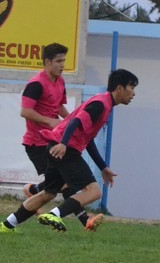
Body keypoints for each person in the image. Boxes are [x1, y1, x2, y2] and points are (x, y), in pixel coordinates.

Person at [0, 69, 138, 233]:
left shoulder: (104, 104)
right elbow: (74, 122)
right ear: (119, 88)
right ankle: (54, 215)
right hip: (65, 149)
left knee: (48, 193)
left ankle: (6, 226)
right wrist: (63, 144)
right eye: (131, 87)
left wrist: (103, 167)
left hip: (56, 146)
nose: (133, 93)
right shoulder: (101, 104)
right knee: (93, 191)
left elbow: (88, 139)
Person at [19, 43, 101, 231]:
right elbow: (25, 111)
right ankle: (85, 221)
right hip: (36, 143)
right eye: (58, 61)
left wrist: (71, 121)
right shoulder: (35, 84)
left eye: (63, 61)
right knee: (63, 183)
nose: (62, 65)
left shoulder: (60, 82)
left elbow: (58, 107)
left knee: (57, 184)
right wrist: (49, 121)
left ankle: (33, 190)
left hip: (51, 140)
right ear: (47, 62)